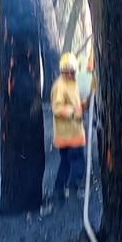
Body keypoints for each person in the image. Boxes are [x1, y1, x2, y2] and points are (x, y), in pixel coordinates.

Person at [50, 52, 87, 203]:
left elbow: (77, 103)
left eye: (72, 70)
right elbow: (57, 109)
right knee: (78, 164)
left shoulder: (74, 84)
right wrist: (74, 113)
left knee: (65, 163)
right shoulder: (60, 86)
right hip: (69, 134)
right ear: (62, 70)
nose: (70, 73)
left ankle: (58, 192)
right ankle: (72, 193)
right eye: (67, 70)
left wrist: (85, 103)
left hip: (72, 131)